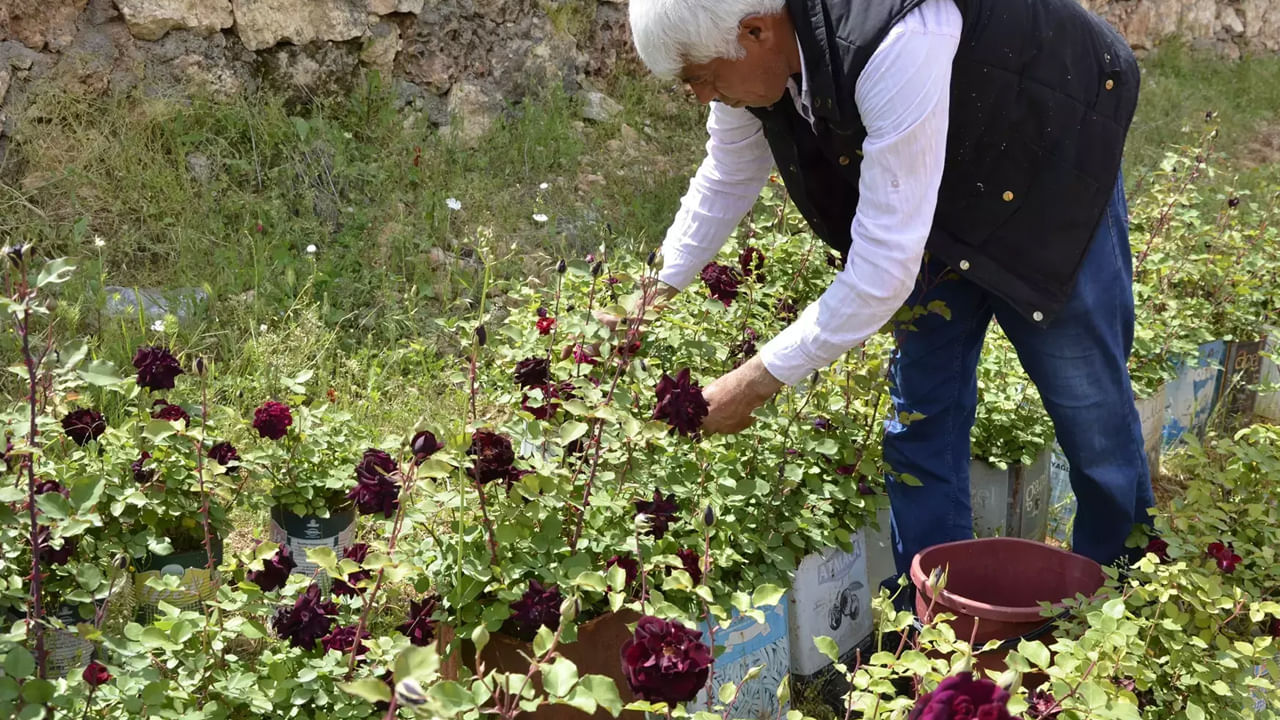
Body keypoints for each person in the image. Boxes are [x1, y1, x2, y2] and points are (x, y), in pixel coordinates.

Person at [622, 0, 1157, 590]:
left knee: (1089, 410)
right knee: (922, 416)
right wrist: (652, 293)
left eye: (700, 76)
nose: (700, 96)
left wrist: (753, 382)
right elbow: (726, 173)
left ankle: (1119, 597)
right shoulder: (752, 66)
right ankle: (941, 619)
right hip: (936, 193)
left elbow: (881, 270)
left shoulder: (894, 38)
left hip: (1044, 163)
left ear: (756, 32)